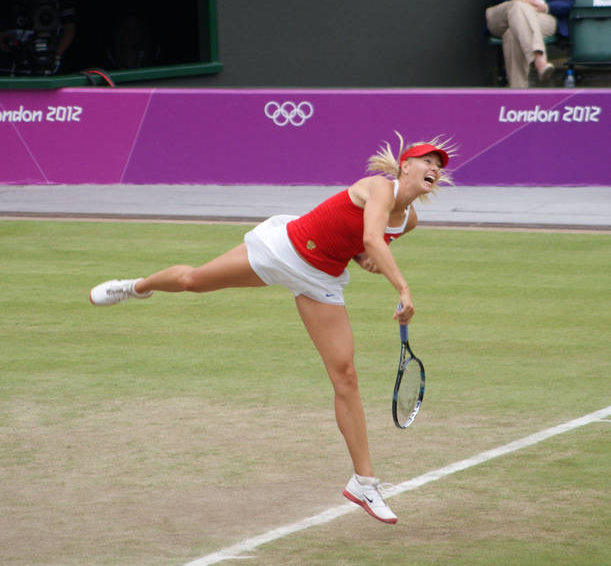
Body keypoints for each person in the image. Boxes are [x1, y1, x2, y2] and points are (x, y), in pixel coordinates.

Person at [89, 134, 452, 525]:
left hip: (320, 279)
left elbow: (364, 245)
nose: (433, 168)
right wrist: (402, 287)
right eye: (426, 161)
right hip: (284, 249)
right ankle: (137, 287)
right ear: (405, 166)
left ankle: (364, 482)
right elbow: (370, 236)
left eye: (438, 165)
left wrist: (364, 260)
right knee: (193, 281)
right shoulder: (379, 187)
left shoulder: (410, 220)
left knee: (345, 376)